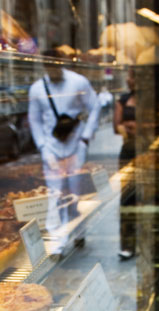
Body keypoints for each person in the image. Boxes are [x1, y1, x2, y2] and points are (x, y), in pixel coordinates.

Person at [28, 49, 100, 238]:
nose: (53, 68)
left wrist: (86, 136)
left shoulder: (78, 82)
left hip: (76, 144)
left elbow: (94, 107)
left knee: (75, 191)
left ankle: (78, 231)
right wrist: (42, 146)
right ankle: (57, 239)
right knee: (54, 192)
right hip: (51, 146)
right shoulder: (37, 88)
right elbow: (34, 119)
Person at [113, 69, 137, 259]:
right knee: (127, 197)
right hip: (128, 153)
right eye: (129, 76)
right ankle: (127, 244)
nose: (130, 80)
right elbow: (117, 126)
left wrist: (129, 126)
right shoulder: (122, 100)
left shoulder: (151, 98)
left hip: (148, 153)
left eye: (134, 76)